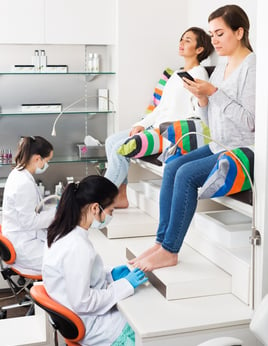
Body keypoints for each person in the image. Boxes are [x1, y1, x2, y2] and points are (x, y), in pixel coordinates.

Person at [130, 4, 256, 271]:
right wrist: (202, 100)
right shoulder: (221, 67)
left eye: (220, 34)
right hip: (218, 144)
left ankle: (170, 250)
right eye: (212, 35)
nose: (215, 41)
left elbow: (251, 122)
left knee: (186, 174)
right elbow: (214, 123)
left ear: (240, 31)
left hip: (241, 148)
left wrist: (213, 93)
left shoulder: (252, 67)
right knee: (173, 164)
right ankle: (161, 241)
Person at [105, 27, 214, 208]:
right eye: (181, 39)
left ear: (200, 49)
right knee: (111, 141)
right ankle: (121, 195)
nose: (181, 43)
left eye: (187, 40)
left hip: (169, 132)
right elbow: (161, 108)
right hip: (155, 127)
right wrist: (141, 124)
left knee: (119, 148)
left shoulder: (199, 74)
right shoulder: (176, 75)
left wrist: (163, 128)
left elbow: (196, 113)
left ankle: (101, 197)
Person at [42, 175, 148, 346]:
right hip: (93, 326)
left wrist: (109, 274)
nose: (111, 215)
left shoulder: (63, 231)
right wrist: (124, 285)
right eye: (111, 211)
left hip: (76, 316)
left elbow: (76, 275)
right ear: (94, 208)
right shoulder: (77, 246)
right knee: (143, 329)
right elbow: (83, 302)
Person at [2, 136, 55, 274]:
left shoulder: (19, 174)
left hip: (23, 237)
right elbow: (29, 221)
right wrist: (57, 215)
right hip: (24, 247)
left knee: (66, 252)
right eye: (47, 161)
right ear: (37, 159)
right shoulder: (23, 183)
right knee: (65, 261)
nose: (46, 166)